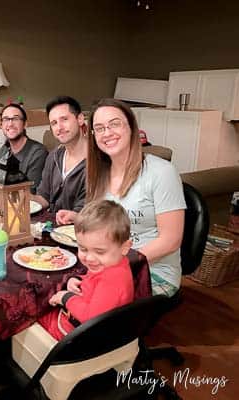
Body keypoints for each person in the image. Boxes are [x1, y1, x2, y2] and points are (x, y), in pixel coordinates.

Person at [86, 98, 185, 297]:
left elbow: (171, 239)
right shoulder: (100, 173)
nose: (107, 133)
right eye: (99, 128)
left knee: (90, 309)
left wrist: (119, 264)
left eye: (114, 124)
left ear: (132, 127)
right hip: (108, 266)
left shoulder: (161, 172)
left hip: (153, 273)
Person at [39, 200, 134, 340]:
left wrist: (65, 297)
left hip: (77, 335)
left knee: (27, 319)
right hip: (82, 323)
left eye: (99, 252)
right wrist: (77, 280)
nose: (89, 258)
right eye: (83, 249)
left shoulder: (111, 280)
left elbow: (89, 316)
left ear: (125, 247)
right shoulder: (112, 264)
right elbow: (93, 281)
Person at [34, 96, 87, 225]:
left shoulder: (97, 162)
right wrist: (20, 196)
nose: (59, 127)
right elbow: (44, 198)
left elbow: (88, 213)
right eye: (54, 123)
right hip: (53, 230)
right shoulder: (54, 156)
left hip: (82, 234)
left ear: (80, 119)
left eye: (64, 119)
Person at [0, 103, 48, 193]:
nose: (10, 123)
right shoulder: (0, 154)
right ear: (1, 126)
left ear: (25, 124)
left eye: (16, 119)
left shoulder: (38, 153)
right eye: (6, 119)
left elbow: (31, 192)